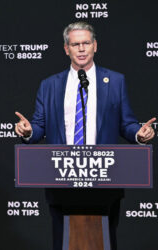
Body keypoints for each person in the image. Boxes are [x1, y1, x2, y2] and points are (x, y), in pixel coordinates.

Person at [15, 22, 155, 250]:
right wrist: (29, 131)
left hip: (105, 179)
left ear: (95, 46)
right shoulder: (49, 85)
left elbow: (126, 123)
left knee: (106, 239)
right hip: (61, 179)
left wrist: (139, 134)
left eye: (86, 43)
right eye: (75, 44)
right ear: (66, 49)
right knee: (63, 241)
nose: (81, 49)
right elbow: (39, 126)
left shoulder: (116, 81)